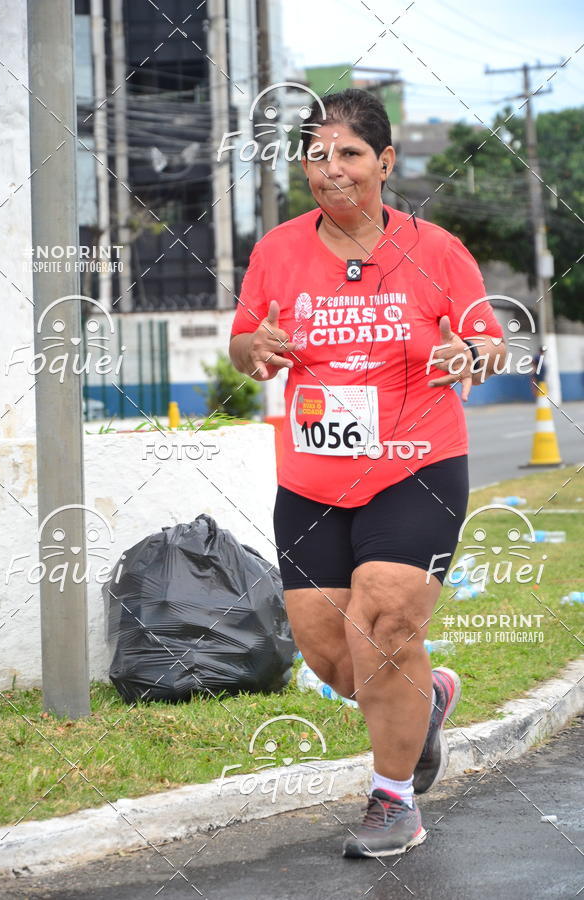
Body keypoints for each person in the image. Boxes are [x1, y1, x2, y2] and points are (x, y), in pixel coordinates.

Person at [229, 89, 506, 858]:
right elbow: (244, 341)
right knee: (334, 657)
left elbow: (489, 339)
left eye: (349, 153)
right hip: (313, 478)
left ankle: (393, 802)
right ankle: (432, 699)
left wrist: (469, 353)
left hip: (417, 464)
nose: (333, 168)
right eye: (318, 155)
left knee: (384, 626)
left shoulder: (436, 248)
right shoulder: (278, 250)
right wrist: (252, 351)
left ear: (384, 163)